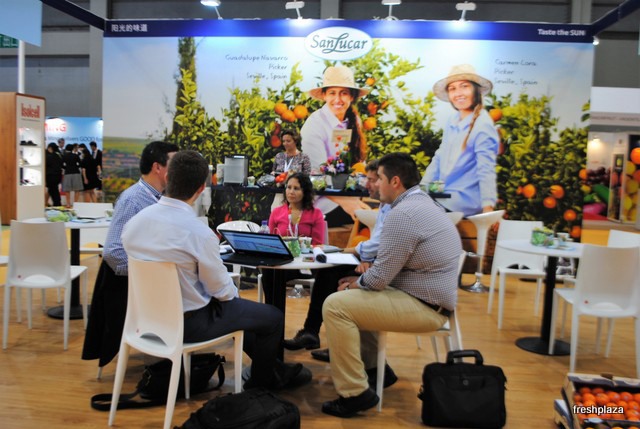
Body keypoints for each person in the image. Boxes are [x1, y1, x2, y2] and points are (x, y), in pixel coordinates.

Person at [122, 150, 310, 390]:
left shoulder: (134, 223)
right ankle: (261, 388)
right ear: (202, 188)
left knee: (245, 315)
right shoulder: (198, 233)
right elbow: (221, 291)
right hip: (189, 324)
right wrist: (234, 296)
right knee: (271, 316)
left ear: (167, 178)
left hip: (145, 321)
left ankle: (274, 370)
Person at [320, 152, 462, 418]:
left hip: (426, 306)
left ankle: (354, 393)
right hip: (430, 299)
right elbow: (385, 272)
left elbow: (379, 278)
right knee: (352, 298)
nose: (374, 184)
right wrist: (358, 283)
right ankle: (375, 371)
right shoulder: (423, 204)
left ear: (395, 181)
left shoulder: (403, 214)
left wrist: (354, 284)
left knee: (336, 306)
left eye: (379, 179)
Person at [283, 160, 391, 367]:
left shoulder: (396, 208)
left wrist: (347, 253)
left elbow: (382, 246)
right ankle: (314, 334)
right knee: (329, 270)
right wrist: (366, 258)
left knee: (331, 271)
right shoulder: (385, 206)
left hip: (386, 272)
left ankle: (328, 339)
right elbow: (377, 242)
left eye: (371, 180)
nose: (366, 185)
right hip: (372, 260)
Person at [82, 141, 179, 368]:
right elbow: (113, 252)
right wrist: (150, 273)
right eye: (174, 164)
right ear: (158, 167)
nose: (178, 170)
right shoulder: (133, 200)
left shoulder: (159, 198)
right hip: (129, 289)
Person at [420, 64, 499, 217]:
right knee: (407, 200)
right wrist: (423, 187)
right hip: (444, 192)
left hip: (464, 199)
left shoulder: (483, 124)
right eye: (452, 89)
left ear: (476, 90)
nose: (458, 93)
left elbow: (486, 169)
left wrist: (488, 208)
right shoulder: (452, 120)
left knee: (418, 211)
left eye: (464, 86)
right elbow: (439, 158)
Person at [301, 65, 369, 226]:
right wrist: (348, 203)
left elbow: (357, 166)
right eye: (332, 93)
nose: (338, 99)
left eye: (343, 93)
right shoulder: (314, 125)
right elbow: (316, 178)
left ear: (351, 96)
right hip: (318, 205)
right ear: (324, 95)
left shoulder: (354, 121)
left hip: (345, 195)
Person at [261, 173, 325, 304]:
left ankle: (275, 311)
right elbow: (271, 241)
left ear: (305, 191)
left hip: (305, 263)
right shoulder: (277, 212)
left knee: (276, 273)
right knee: (270, 271)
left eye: (296, 188)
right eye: (289, 187)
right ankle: (272, 311)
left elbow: (318, 243)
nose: (291, 192)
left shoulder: (315, 214)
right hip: (283, 262)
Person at [45, 142, 63, 207]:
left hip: (51, 176)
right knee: (54, 190)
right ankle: (56, 204)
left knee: (53, 191)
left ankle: (57, 205)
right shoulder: (58, 155)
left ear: (50, 148)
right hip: (57, 176)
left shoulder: (48, 157)